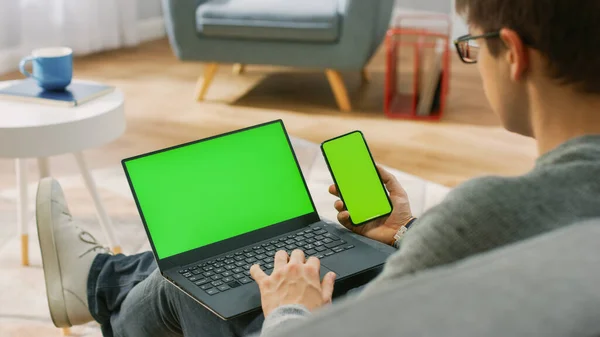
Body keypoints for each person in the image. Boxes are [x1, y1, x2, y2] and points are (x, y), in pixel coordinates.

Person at [37, 0, 600, 336]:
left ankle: (97, 285)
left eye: (471, 47)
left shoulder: (488, 214)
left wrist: (288, 312)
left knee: (193, 284)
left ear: (514, 53)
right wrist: (402, 229)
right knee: (260, 252)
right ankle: (99, 278)